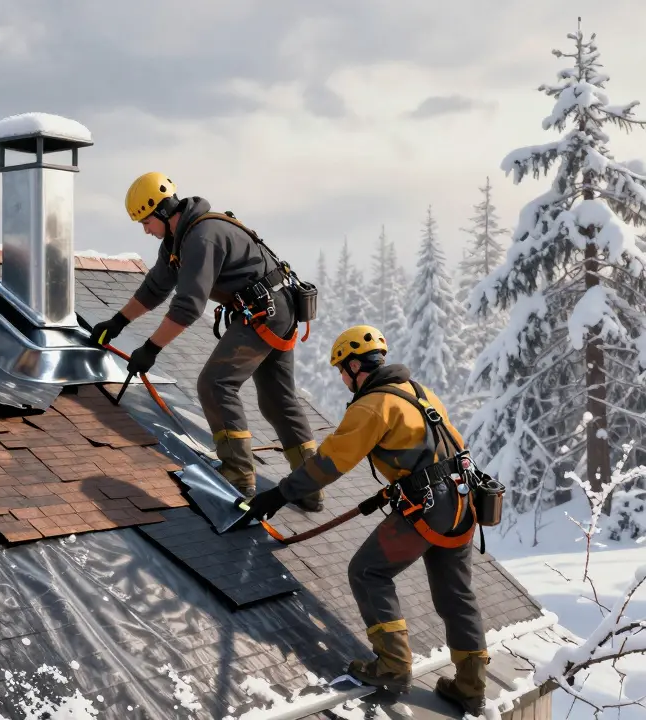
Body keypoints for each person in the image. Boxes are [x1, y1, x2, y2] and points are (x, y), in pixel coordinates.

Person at [240, 325, 489, 715]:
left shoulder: (373, 404)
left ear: (356, 365)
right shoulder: (417, 392)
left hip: (430, 504)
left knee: (367, 572)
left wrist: (279, 494)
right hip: (464, 499)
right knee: (456, 595)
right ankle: (470, 687)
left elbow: (330, 461)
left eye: (343, 369)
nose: (342, 378)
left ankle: (391, 667)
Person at [89, 172, 322, 510]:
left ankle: (238, 476)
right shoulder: (179, 241)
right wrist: (118, 322)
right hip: (275, 308)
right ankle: (309, 486)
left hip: (266, 310)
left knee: (215, 384)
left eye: (146, 221)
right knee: (276, 399)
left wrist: (150, 349)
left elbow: (187, 307)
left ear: (165, 212)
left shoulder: (201, 237)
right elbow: (156, 286)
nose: (145, 229)